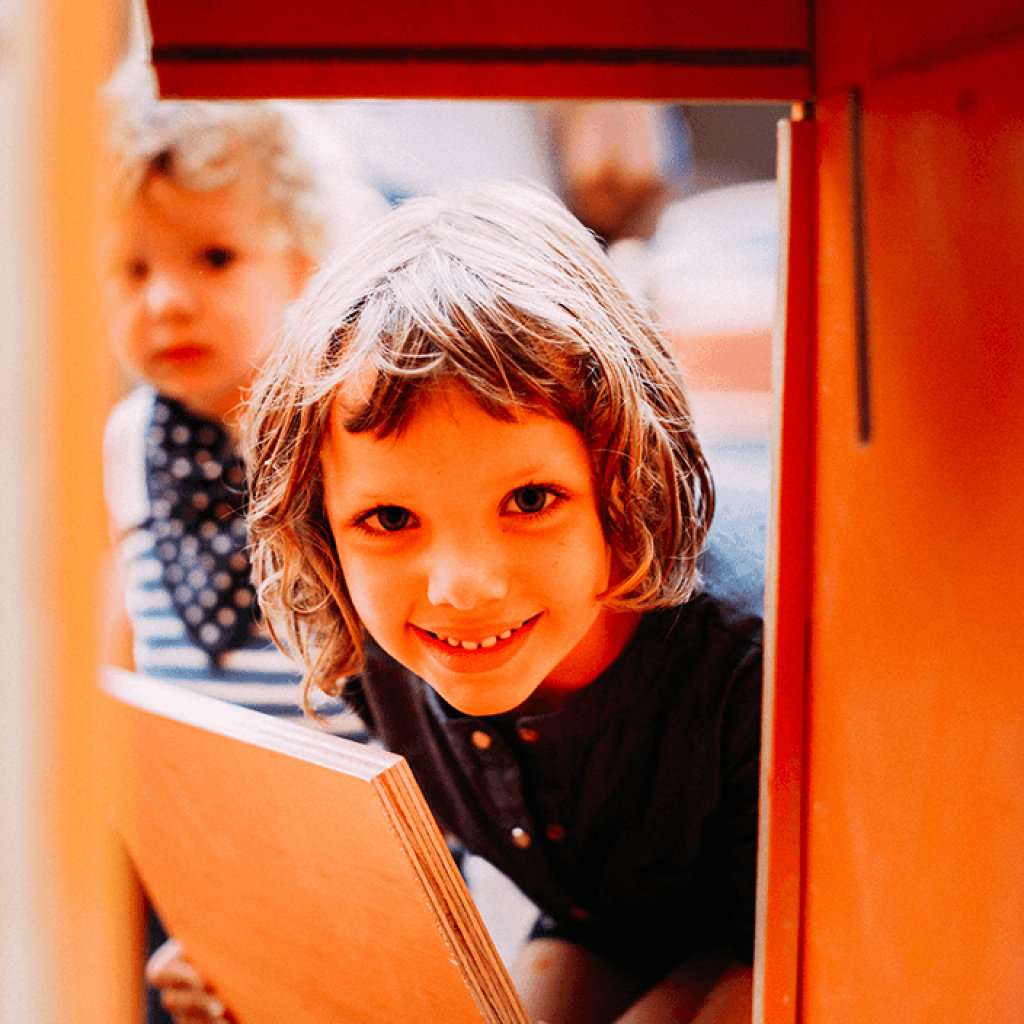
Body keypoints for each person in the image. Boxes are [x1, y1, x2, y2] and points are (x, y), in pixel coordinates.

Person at [153, 180, 762, 1023]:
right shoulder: (378, 639)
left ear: (628, 480)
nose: (460, 588)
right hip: (600, 915)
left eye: (531, 501)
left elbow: (788, 954)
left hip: (789, 931)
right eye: (390, 518)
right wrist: (258, 957)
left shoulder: (744, 659)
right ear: (322, 530)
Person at [100, 92, 384, 1023]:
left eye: (214, 258)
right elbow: (128, 644)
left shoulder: (341, 425)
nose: (166, 299)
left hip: (348, 847)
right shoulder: (129, 439)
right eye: (130, 270)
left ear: (302, 262)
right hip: (198, 856)